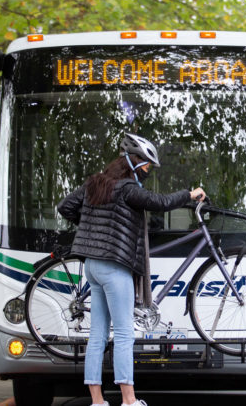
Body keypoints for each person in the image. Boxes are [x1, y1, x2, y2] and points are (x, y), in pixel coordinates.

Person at [58, 133, 206, 406]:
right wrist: (189, 194)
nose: (148, 171)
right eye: (147, 165)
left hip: (92, 265)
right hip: (114, 267)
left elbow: (65, 206)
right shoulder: (127, 189)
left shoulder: (94, 183)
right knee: (125, 333)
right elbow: (160, 203)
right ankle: (129, 401)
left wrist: (91, 227)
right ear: (133, 162)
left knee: (97, 335)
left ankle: (98, 402)